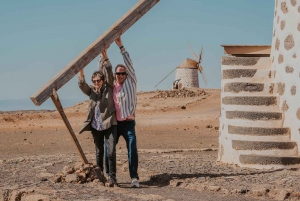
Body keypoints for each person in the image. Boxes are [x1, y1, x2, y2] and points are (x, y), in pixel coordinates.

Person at [78, 47, 118, 187]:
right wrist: (81, 71)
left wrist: (106, 58)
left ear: (102, 80)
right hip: (96, 126)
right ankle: (100, 176)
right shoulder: (91, 92)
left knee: (111, 151)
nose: (96, 83)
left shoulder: (108, 87)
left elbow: (109, 73)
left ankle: (112, 178)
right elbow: (82, 86)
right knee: (99, 152)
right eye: (94, 81)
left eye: (98, 80)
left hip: (109, 123)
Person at [104, 36, 139, 188]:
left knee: (132, 149)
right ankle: (110, 176)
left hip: (129, 123)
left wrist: (121, 46)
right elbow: (105, 70)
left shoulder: (131, 82)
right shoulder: (112, 86)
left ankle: (134, 178)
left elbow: (129, 64)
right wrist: (104, 55)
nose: (120, 76)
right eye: (118, 74)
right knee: (109, 149)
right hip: (115, 124)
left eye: (122, 73)